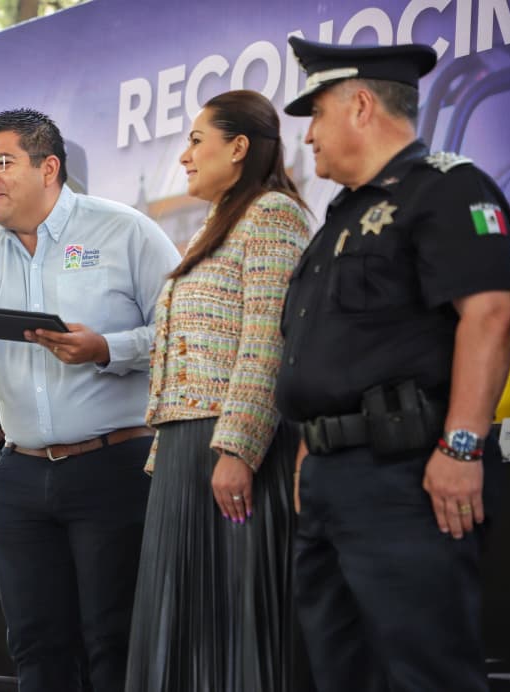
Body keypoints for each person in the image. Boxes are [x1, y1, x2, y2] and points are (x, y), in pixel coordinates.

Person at [0, 108, 180, 692]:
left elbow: (187, 331)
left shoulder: (124, 231)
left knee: (114, 639)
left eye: (2, 162)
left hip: (115, 466)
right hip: (21, 478)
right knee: (34, 643)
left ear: (49, 167)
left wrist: (107, 347)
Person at [276, 38, 510, 692]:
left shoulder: (446, 188)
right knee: (338, 672)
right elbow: (330, 356)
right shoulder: (339, 220)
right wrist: (310, 450)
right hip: (331, 476)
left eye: (317, 113)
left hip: (409, 474)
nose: (310, 135)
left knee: (425, 672)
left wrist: (462, 446)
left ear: (360, 104)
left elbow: (491, 314)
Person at [124, 90, 309, 691]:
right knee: (180, 634)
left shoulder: (274, 214)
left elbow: (267, 341)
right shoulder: (217, 223)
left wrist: (239, 449)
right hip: (185, 454)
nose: (184, 156)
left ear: (239, 147)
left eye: (197, 140)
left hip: (231, 453)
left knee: (231, 635)